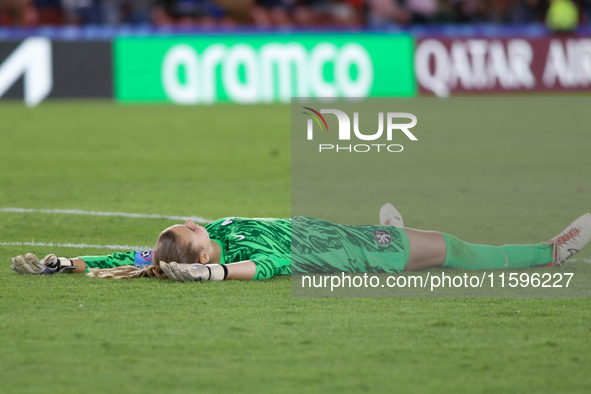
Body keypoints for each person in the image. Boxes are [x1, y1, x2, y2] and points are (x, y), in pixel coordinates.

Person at [9, 204, 591, 282]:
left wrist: (68, 262)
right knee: (456, 248)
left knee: (413, 236)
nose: (188, 219)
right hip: (359, 251)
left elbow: (136, 256)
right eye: (189, 228)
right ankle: (554, 250)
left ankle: (398, 227)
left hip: (343, 235)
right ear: (204, 253)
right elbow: (275, 263)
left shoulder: (211, 238)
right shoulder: (232, 255)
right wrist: (217, 278)